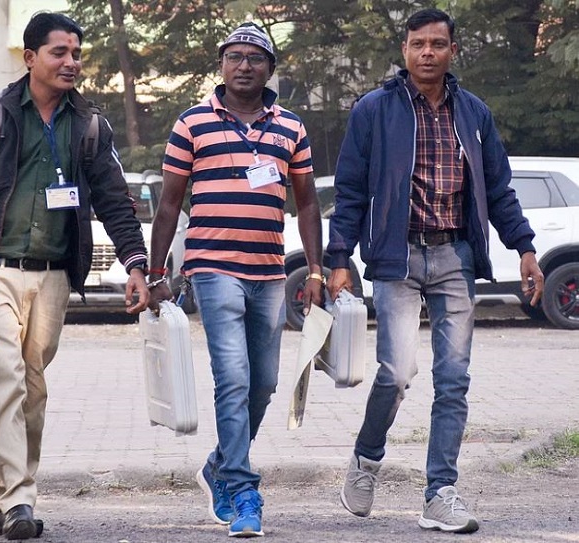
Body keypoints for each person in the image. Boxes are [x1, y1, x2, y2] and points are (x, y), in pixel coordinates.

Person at [0, 12, 149, 540]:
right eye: (58, 53)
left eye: (76, 54)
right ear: (30, 58)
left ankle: (8, 498)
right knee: (7, 379)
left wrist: (136, 264)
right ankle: (22, 502)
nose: (70, 62)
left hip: (53, 278)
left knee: (33, 391)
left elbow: (115, 200)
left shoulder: (90, 124)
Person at [327, 8, 544, 534]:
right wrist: (338, 260)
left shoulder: (473, 113)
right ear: (404, 50)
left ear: (452, 51)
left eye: (438, 44)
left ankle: (440, 493)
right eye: (419, 43)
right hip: (395, 258)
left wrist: (525, 248)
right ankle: (366, 459)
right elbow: (352, 191)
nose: (428, 52)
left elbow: (498, 189)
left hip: (455, 257)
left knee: (454, 381)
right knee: (397, 373)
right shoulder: (373, 111)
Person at [148, 22, 324, 538]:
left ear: (270, 68)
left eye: (254, 57)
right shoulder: (192, 123)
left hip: (269, 272)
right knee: (235, 376)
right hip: (212, 266)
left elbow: (308, 202)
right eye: (234, 56)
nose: (243, 65)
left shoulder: (290, 126)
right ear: (221, 65)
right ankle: (245, 492)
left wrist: (313, 270)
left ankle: (221, 464)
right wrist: (159, 274)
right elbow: (169, 206)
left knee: (265, 382)